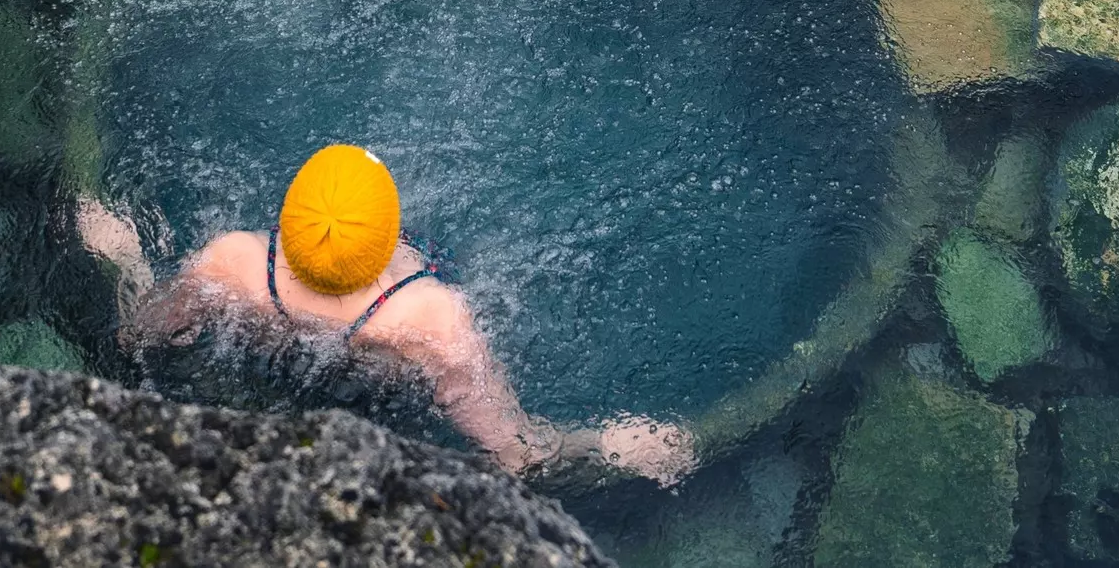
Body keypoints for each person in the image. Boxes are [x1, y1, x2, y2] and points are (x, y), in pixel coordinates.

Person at [76, 143, 696, 484]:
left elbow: (142, 333)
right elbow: (514, 453)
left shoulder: (233, 261)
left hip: (275, 377)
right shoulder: (429, 317)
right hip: (386, 405)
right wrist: (607, 444)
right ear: (389, 241)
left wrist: (126, 256)